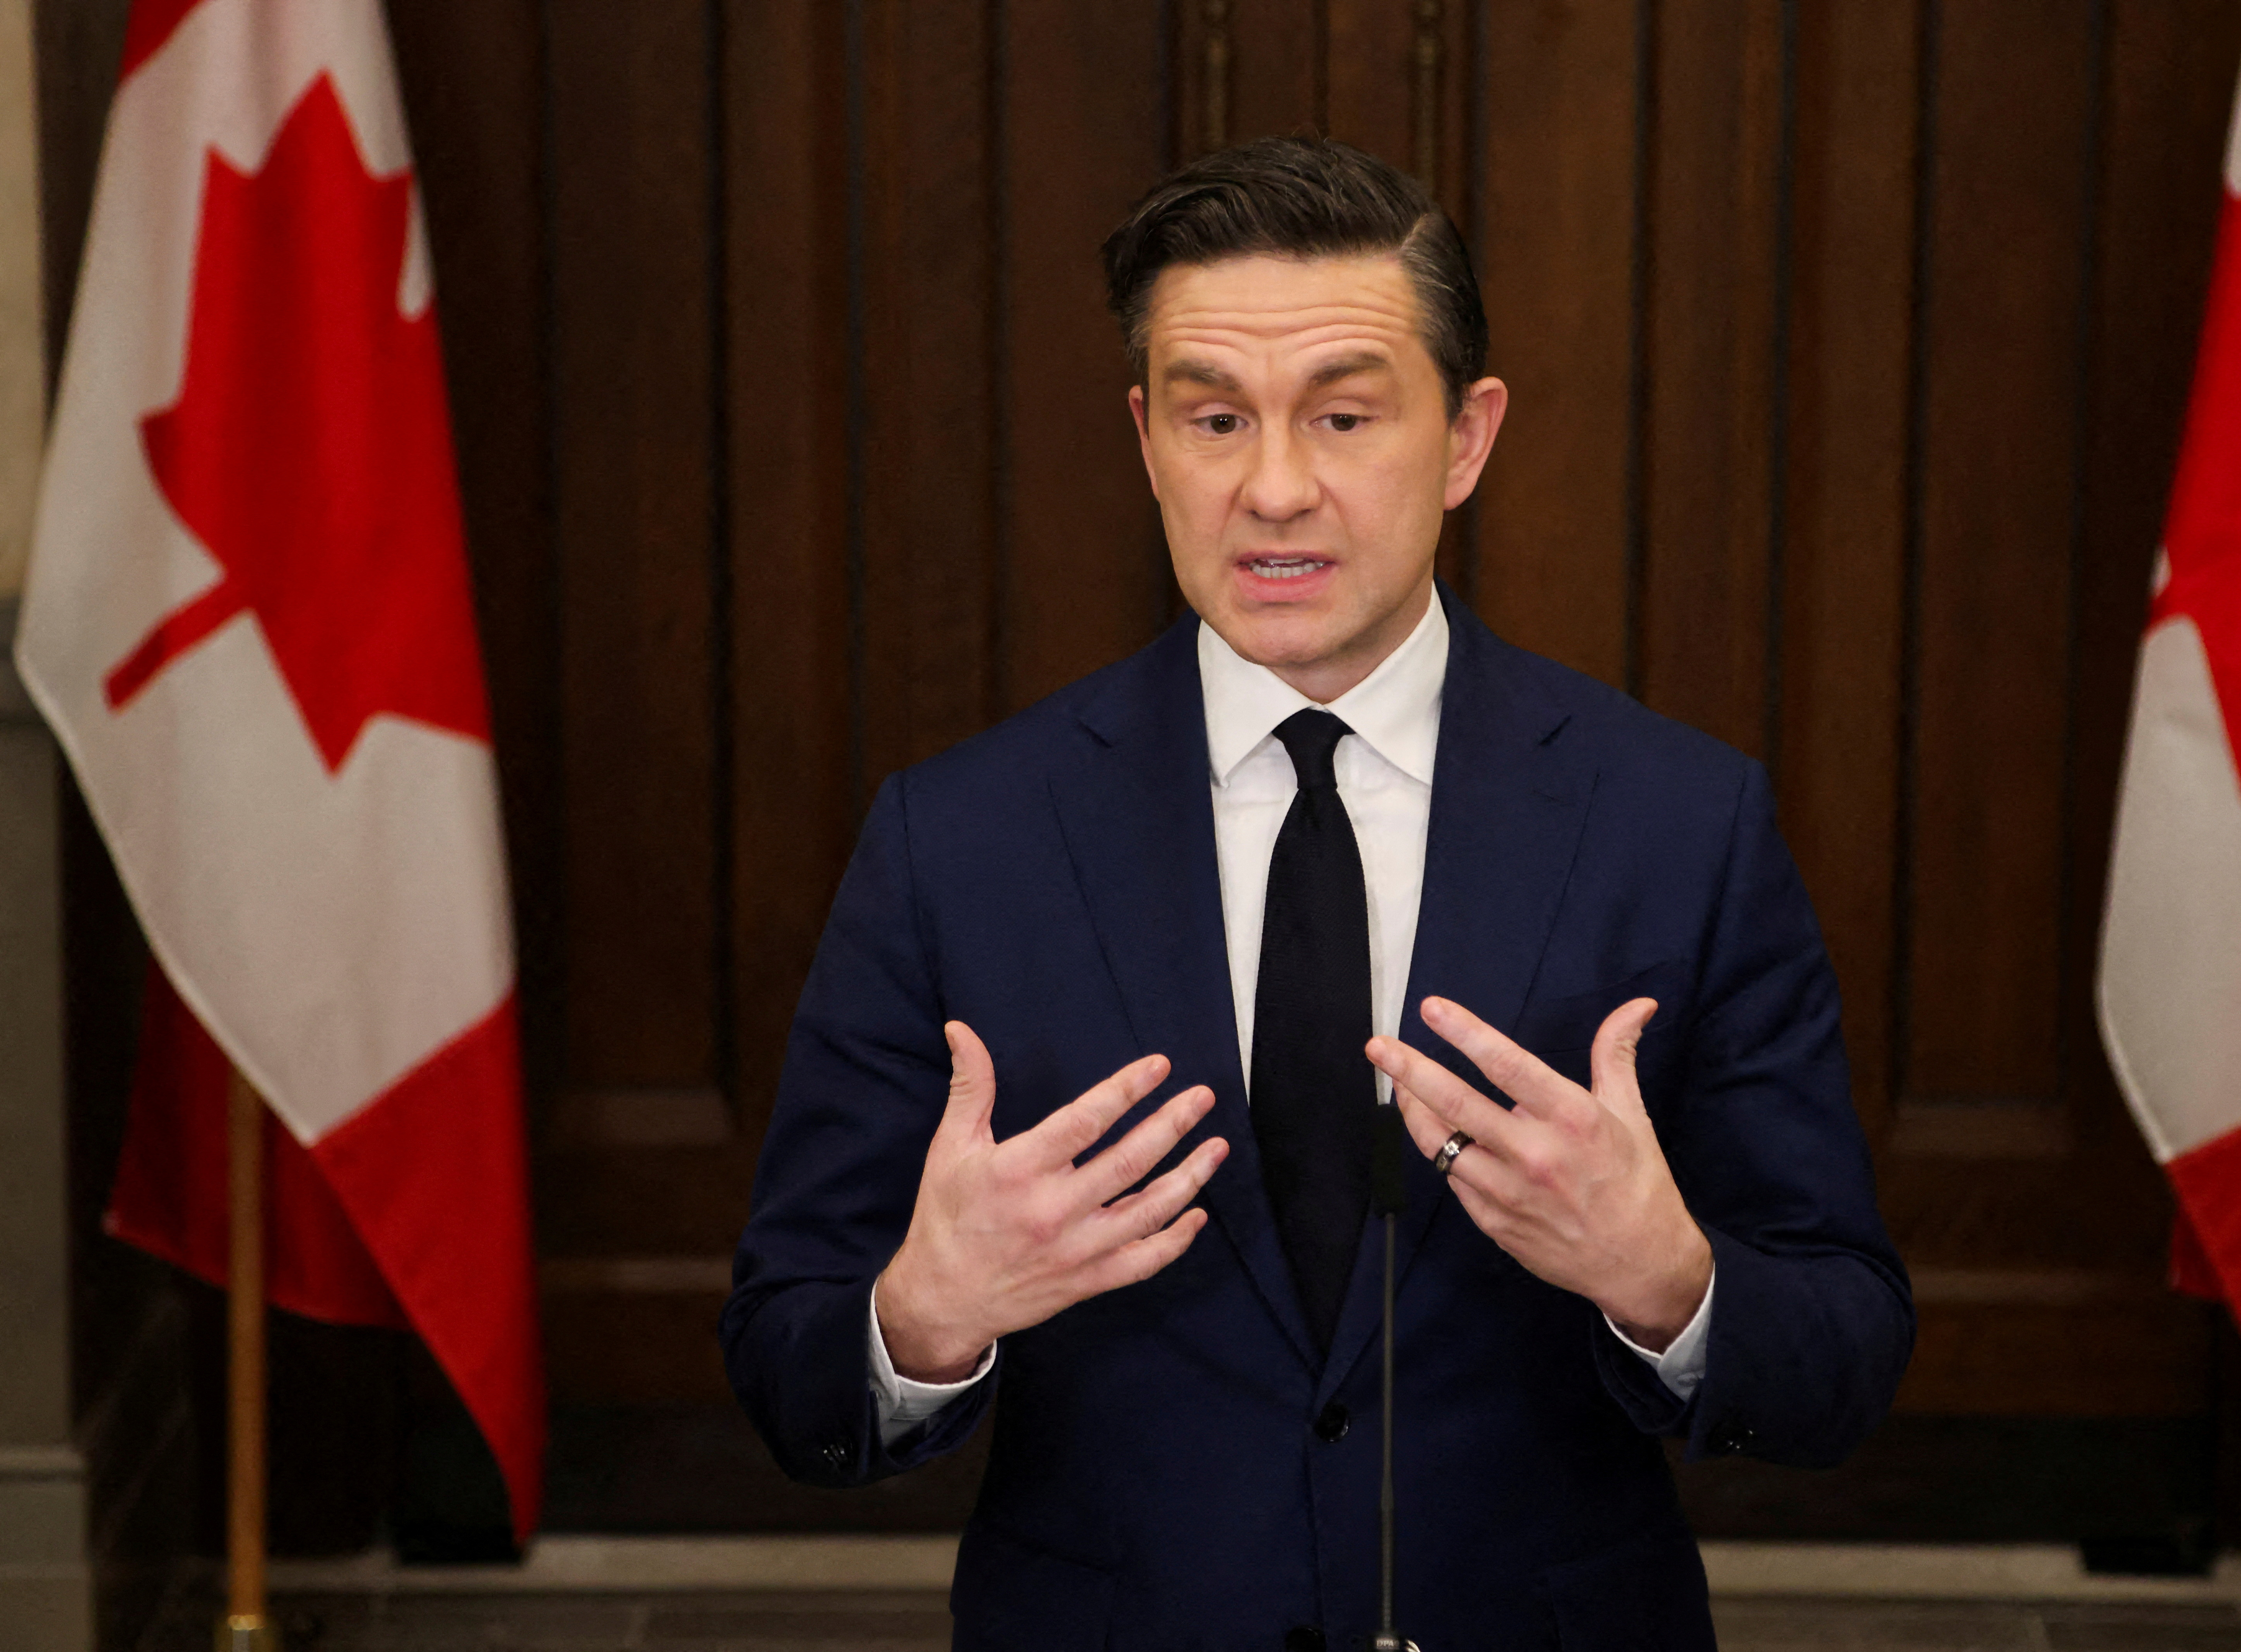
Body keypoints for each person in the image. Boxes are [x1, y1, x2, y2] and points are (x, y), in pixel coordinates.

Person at [721, 136, 1912, 1651]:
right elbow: (788, 1366)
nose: (1275, 489)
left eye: (1344, 416)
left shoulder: (1679, 821)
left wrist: (1669, 1280)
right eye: (1218, 419)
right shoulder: (959, 838)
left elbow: (1846, 1358)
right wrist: (924, 1318)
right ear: (1150, 441)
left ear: (1467, 438)